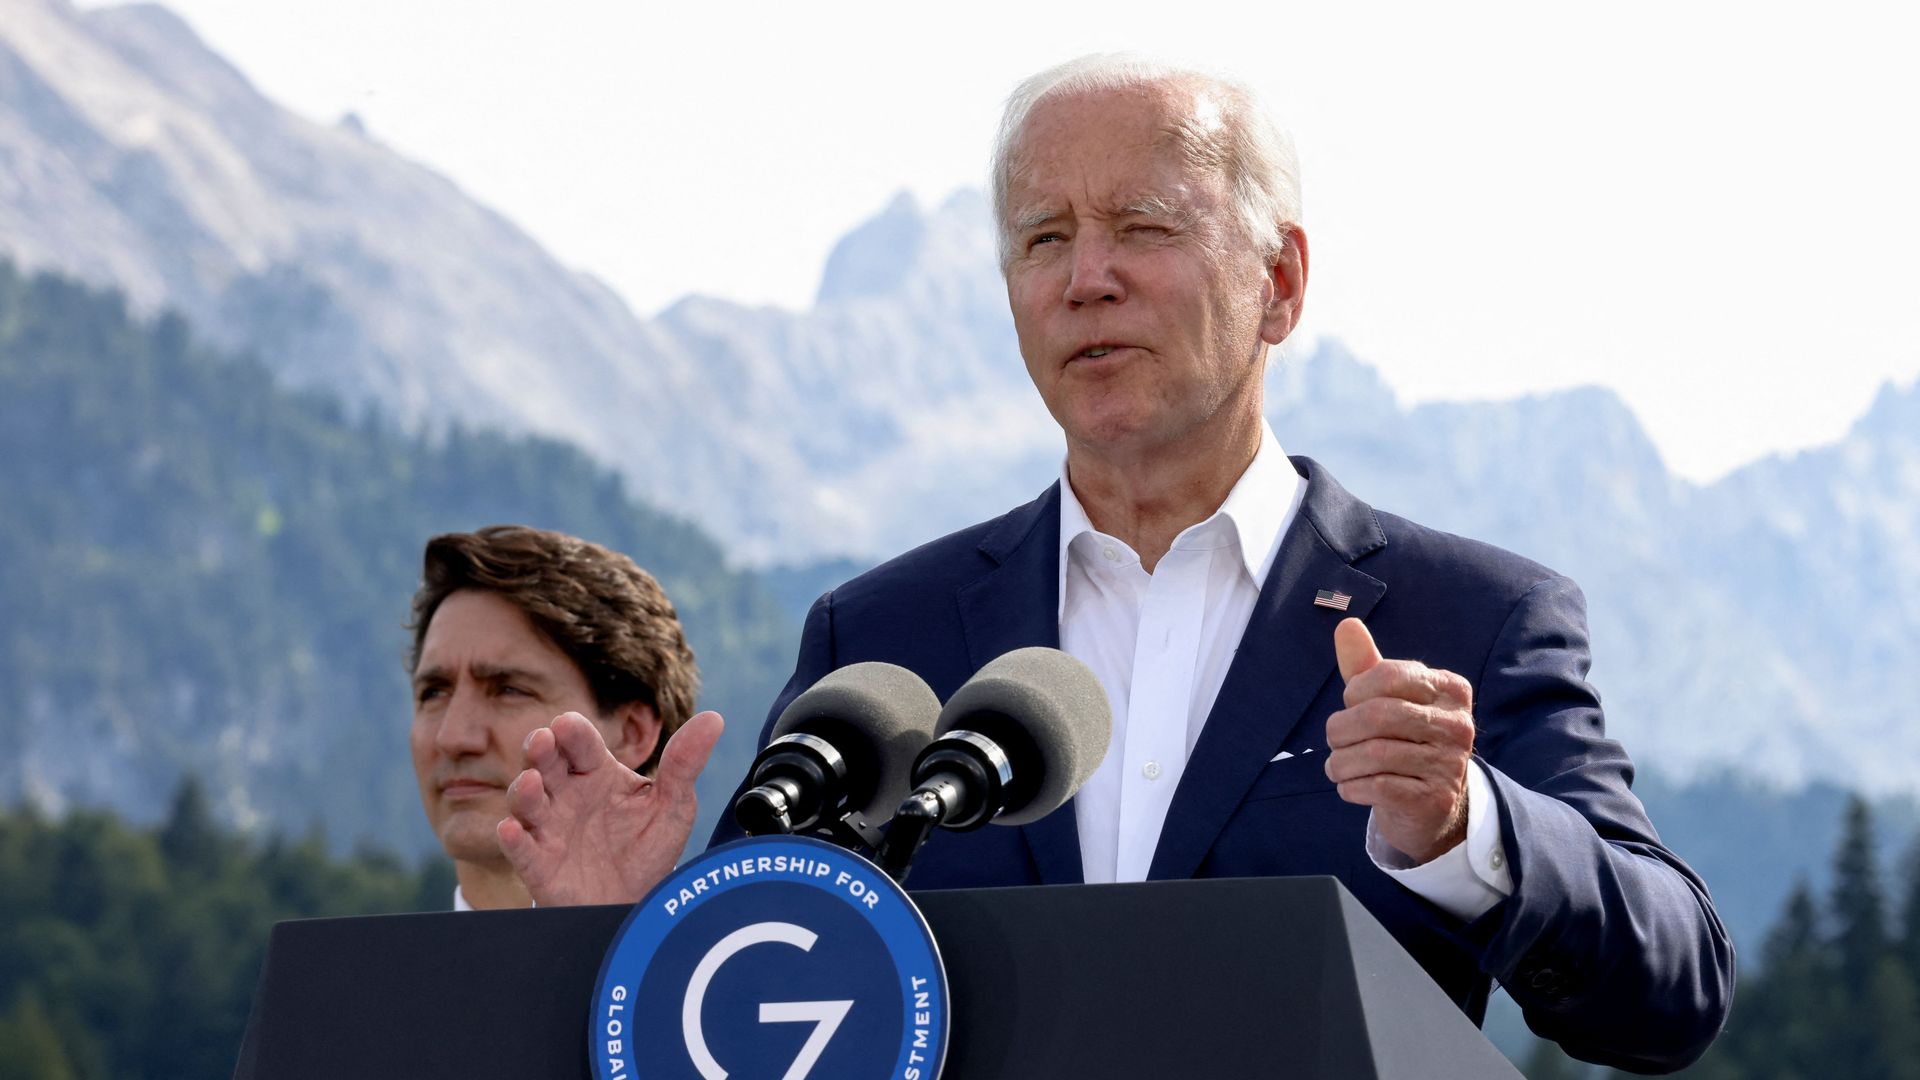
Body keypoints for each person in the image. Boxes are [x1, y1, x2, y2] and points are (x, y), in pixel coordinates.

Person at [497, 56, 1734, 1071]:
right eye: (1044, 239)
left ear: (1281, 283)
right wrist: (618, 920)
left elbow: (1672, 989)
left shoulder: (1470, 616)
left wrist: (1471, 827)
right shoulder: (884, 637)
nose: (1087, 280)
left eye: (1143, 226)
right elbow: (745, 1018)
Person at [407, 525, 698, 910]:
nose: (453, 737)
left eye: (510, 689)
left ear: (632, 733)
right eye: (434, 692)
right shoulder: (350, 970)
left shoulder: (732, 965)